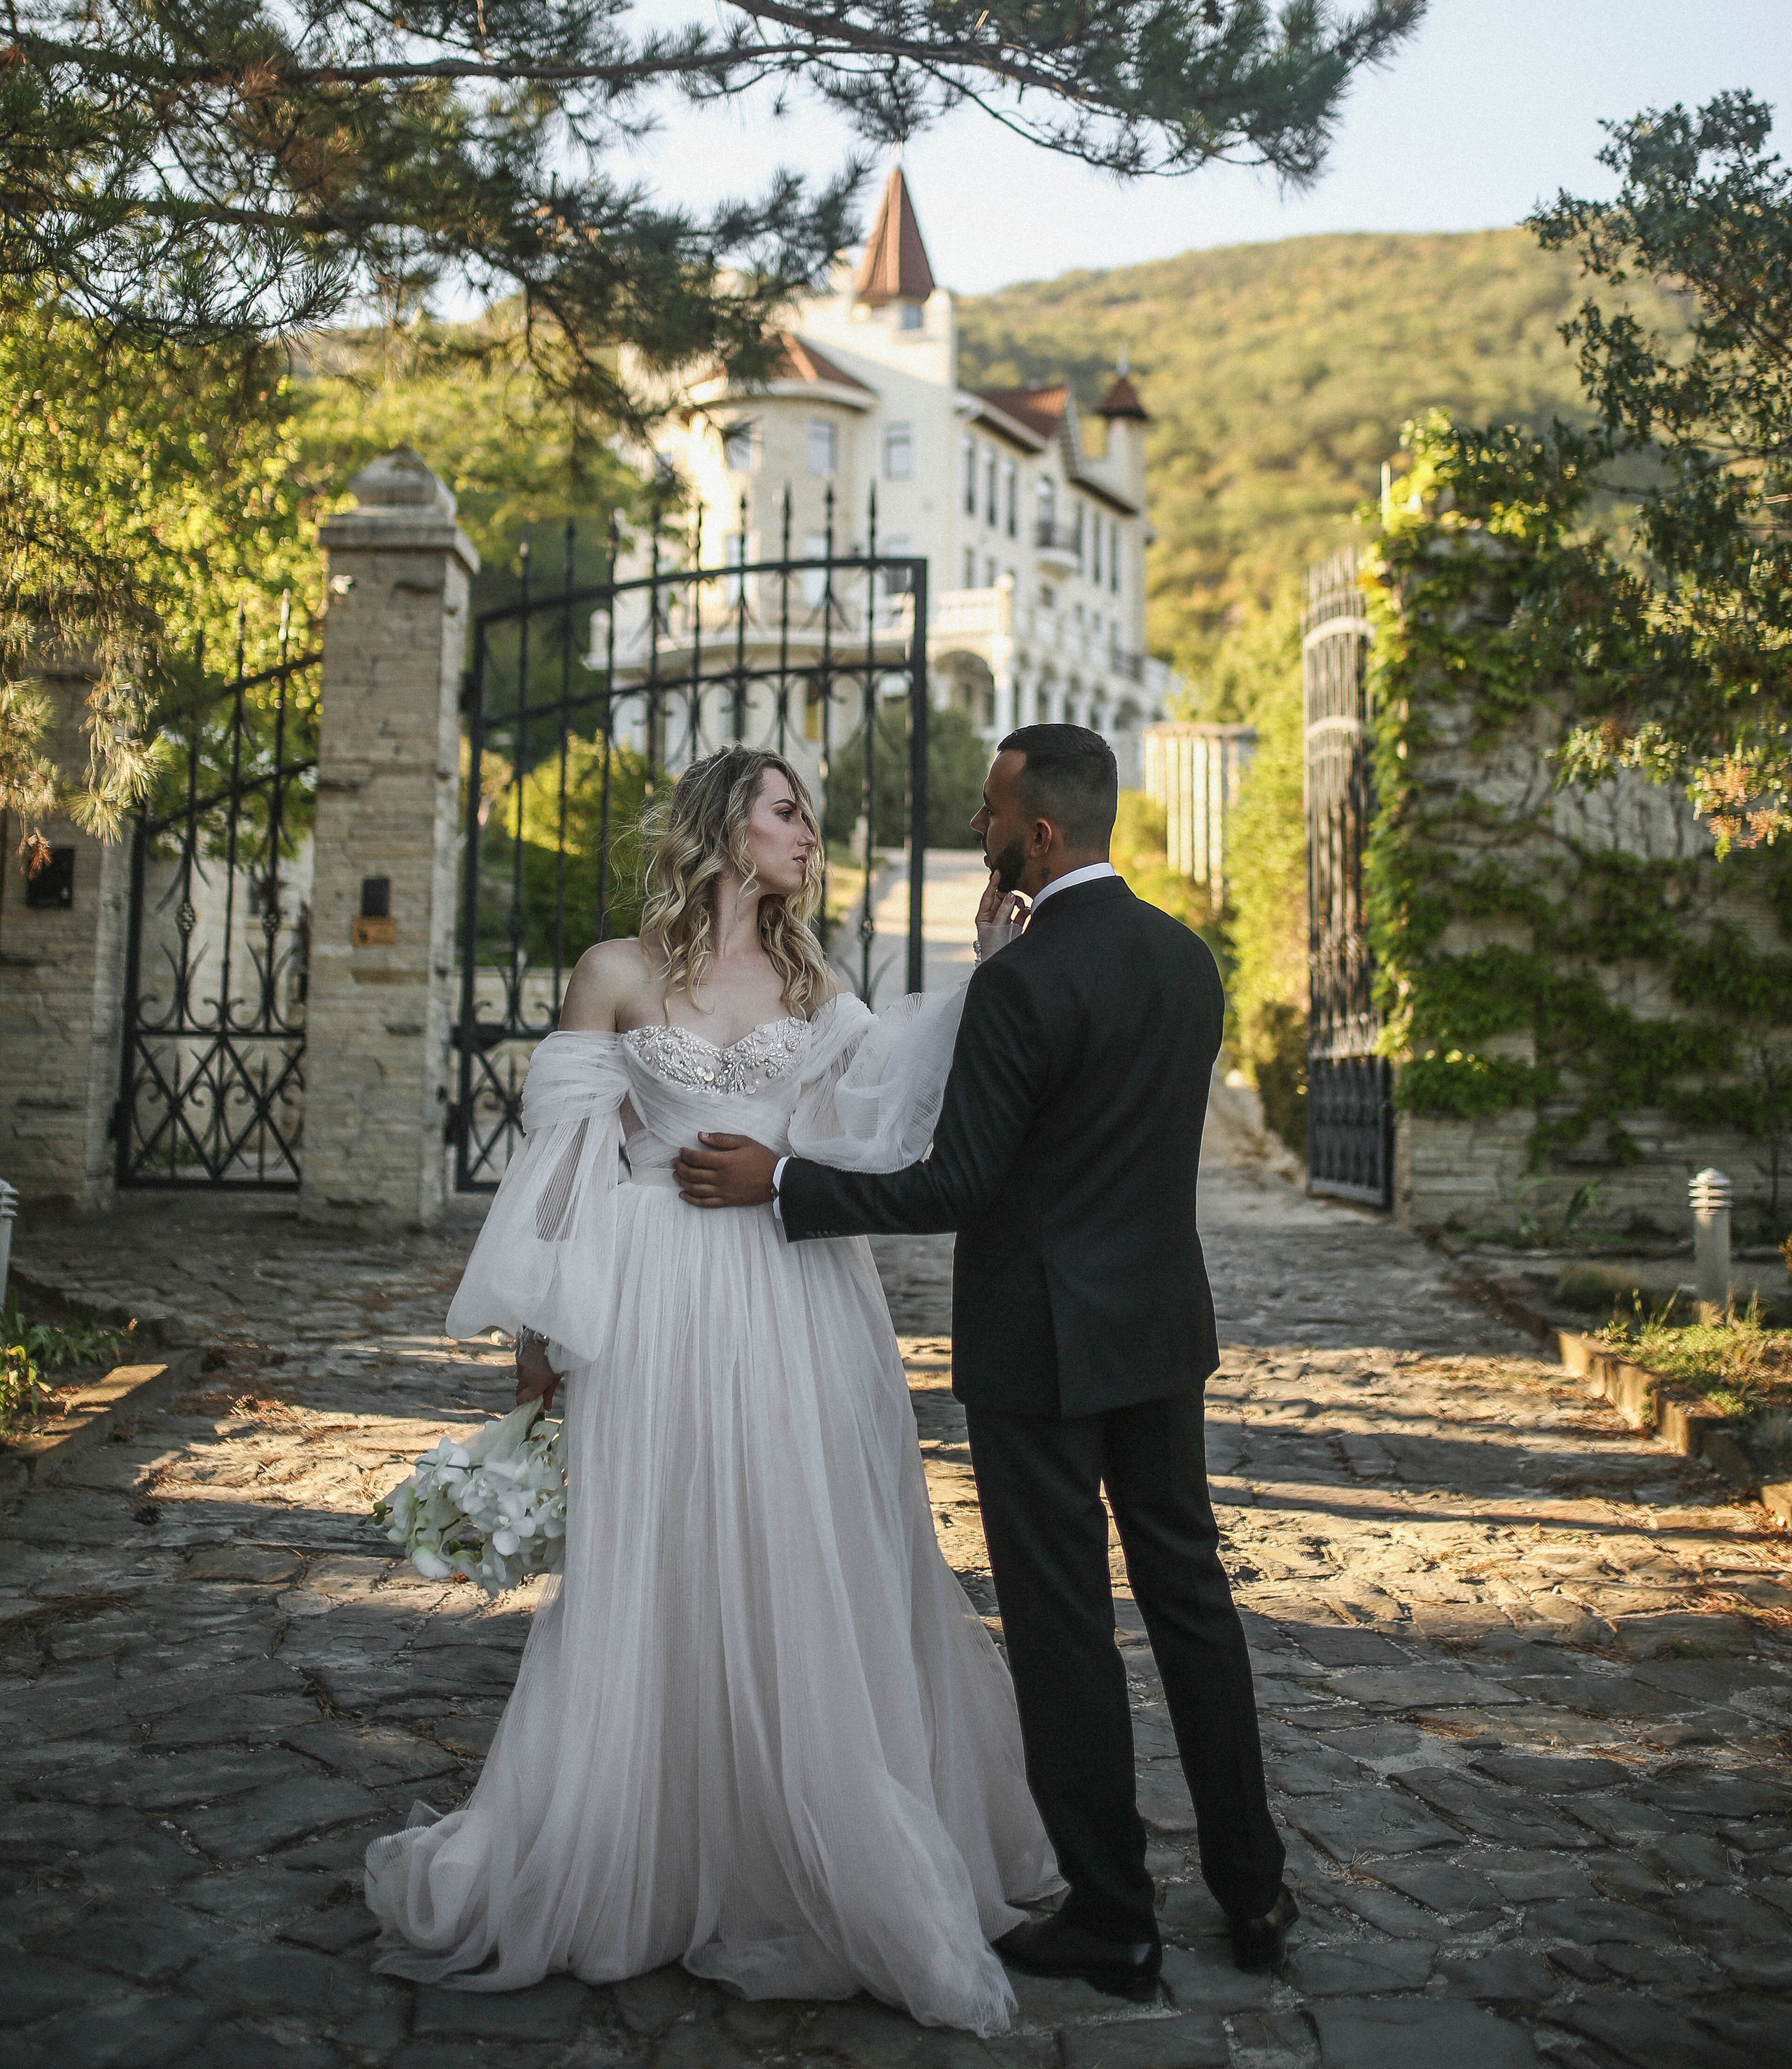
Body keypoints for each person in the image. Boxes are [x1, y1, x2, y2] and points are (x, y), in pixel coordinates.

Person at [365, 745, 1059, 2032]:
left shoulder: (817, 981)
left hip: (798, 1299)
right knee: (658, 1558)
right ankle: (639, 1845)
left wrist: (990, 970)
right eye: (790, 810)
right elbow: (563, 1161)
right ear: (729, 827)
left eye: (811, 816)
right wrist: (541, 1326)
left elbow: (892, 1109)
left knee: (806, 1549)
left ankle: (813, 1842)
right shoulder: (616, 974)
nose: (810, 831)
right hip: (654, 1303)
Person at [677, 722, 1296, 2000]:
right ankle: (1256, 1888)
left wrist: (785, 1179)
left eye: (992, 813)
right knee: (1193, 1603)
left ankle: (1116, 1918)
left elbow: (953, 1183)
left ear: (1044, 835)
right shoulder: (1186, 963)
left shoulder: (1023, 984)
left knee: (1066, 1628)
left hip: (1036, 1352)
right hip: (1159, 1334)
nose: (978, 828)